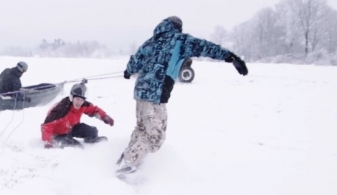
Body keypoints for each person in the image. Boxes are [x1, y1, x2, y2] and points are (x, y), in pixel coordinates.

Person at [116, 16, 249, 174]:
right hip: (155, 94)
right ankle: (128, 167)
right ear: (178, 28)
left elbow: (135, 61)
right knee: (155, 137)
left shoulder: (151, 41)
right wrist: (230, 56)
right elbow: (204, 46)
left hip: (140, 92)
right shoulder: (179, 40)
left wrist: (128, 71)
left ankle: (125, 160)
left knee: (142, 129)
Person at [41, 79, 114, 149]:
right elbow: (47, 125)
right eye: (77, 99)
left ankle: (92, 142)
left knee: (93, 131)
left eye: (81, 100)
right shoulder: (61, 109)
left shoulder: (83, 105)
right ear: (72, 98)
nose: (79, 102)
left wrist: (104, 116)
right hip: (57, 134)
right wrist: (47, 142)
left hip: (71, 128)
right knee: (77, 147)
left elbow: (94, 110)